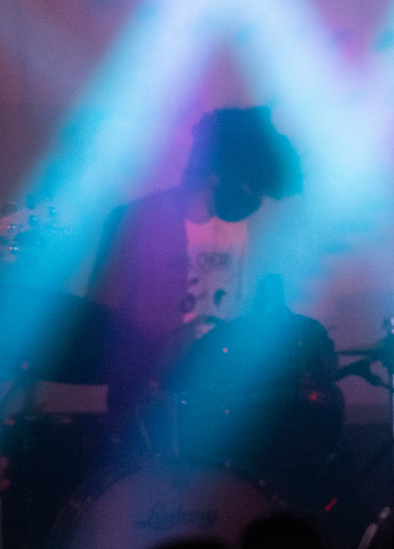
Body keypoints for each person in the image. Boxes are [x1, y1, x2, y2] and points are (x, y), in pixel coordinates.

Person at [89, 106, 303, 418]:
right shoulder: (135, 221)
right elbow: (99, 319)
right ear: (218, 173)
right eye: (250, 187)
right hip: (144, 400)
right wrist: (161, 348)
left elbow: (234, 306)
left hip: (213, 400)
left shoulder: (236, 228)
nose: (255, 199)